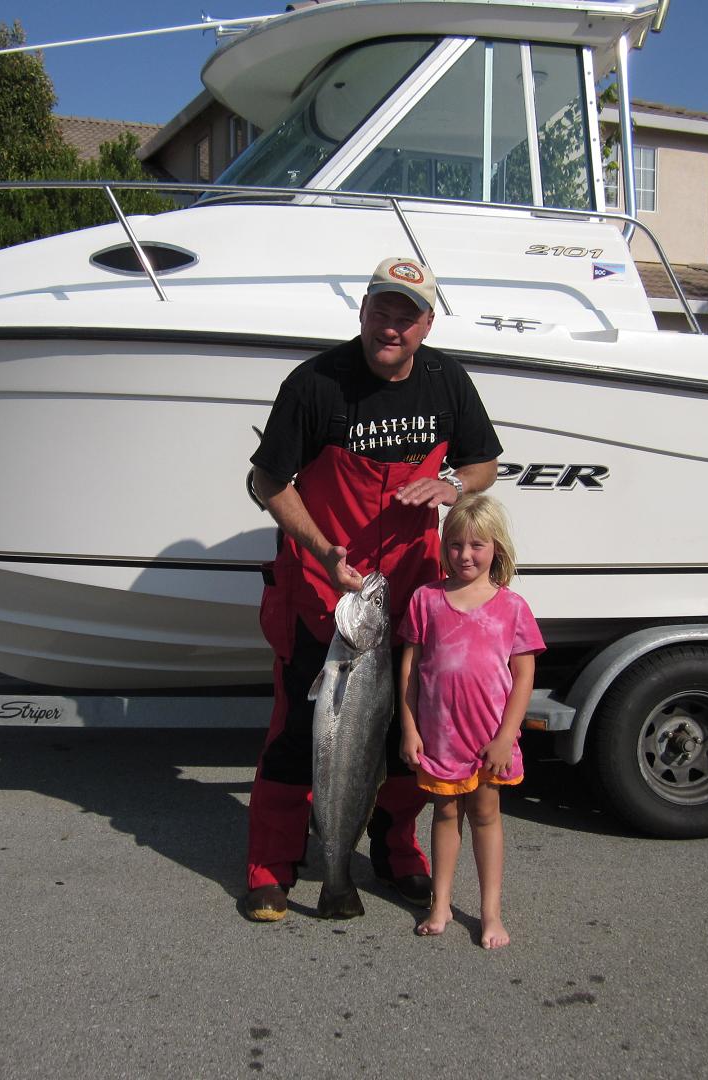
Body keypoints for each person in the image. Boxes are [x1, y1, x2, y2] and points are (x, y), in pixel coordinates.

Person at [244, 256, 502, 922]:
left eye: (407, 316)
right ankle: (271, 864)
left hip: (411, 602)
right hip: (321, 591)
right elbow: (266, 483)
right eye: (382, 311)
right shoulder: (315, 383)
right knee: (299, 735)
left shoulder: (447, 380)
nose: (393, 327)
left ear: (427, 323)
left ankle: (396, 850)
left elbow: (483, 464)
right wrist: (324, 551)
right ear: (362, 312)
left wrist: (455, 486)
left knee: (404, 740)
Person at [397, 494, 543, 948]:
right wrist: (409, 726)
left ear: (496, 547)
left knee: (485, 815)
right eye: (456, 544)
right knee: (444, 813)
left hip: (488, 739)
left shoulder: (512, 607)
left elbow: (523, 678)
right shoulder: (426, 600)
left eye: (477, 545)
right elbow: (409, 670)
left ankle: (490, 912)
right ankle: (439, 904)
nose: (465, 555)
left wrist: (505, 738)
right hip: (440, 737)